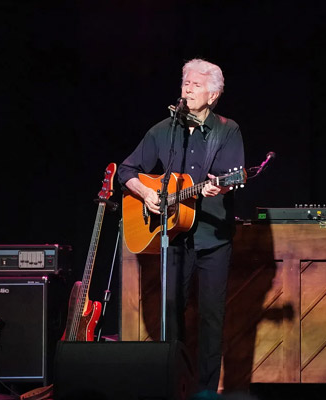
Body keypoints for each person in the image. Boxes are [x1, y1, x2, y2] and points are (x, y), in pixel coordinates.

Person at [118, 58, 245, 397]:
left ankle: (204, 392)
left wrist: (221, 186)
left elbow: (233, 175)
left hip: (213, 238)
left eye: (197, 84)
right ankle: (175, 387)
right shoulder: (164, 129)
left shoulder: (226, 130)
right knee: (171, 315)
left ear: (213, 95)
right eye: (185, 82)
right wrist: (146, 194)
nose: (188, 88)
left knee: (210, 319)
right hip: (171, 236)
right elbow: (126, 171)